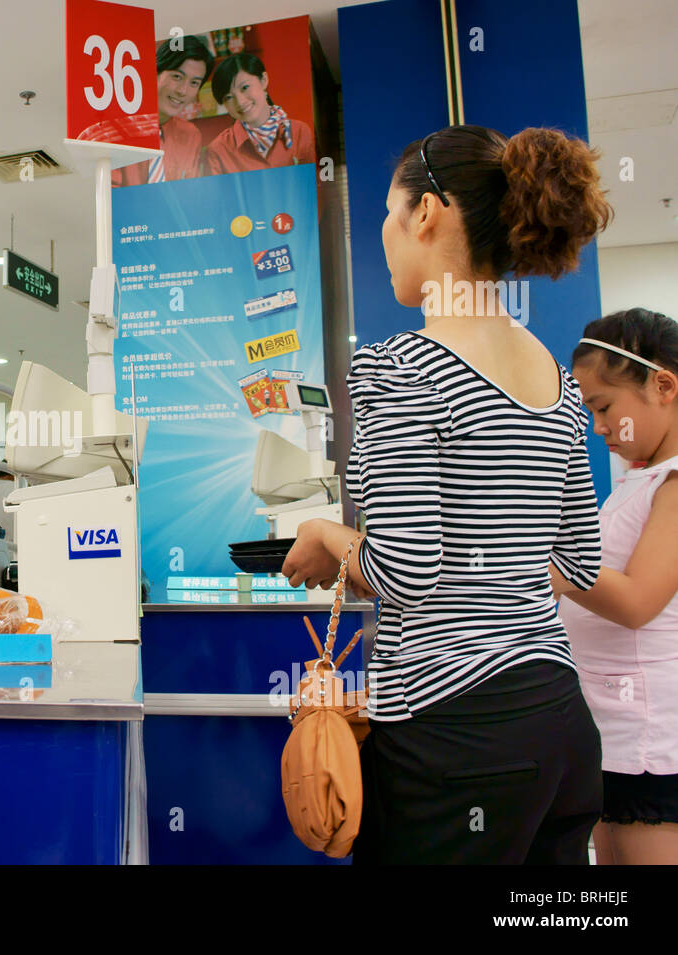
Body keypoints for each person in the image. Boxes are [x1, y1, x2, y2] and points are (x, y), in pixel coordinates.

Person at [282, 125, 612, 863]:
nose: (384, 237)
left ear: (426, 213)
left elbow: (405, 572)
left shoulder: (400, 367)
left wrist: (324, 534)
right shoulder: (555, 379)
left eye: (389, 216)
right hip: (560, 729)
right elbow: (581, 560)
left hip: (454, 743)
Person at [551, 308, 678, 864]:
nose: (597, 426)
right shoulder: (638, 481)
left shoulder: (674, 484)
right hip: (614, 738)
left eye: (604, 407)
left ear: (664, 386)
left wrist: (547, 560)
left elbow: (635, 601)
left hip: (653, 742)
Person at [111, 36, 211, 187]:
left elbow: (189, 194)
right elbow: (109, 198)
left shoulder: (191, 135)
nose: (183, 91)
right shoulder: (113, 128)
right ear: (155, 72)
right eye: (177, 76)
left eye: (194, 83)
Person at [204, 53, 316, 174]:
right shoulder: (218, 151)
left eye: (245, 87)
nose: (240, 102)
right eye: (229, 97)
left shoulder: (299, 132)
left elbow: (311, 186)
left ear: (264, 80)